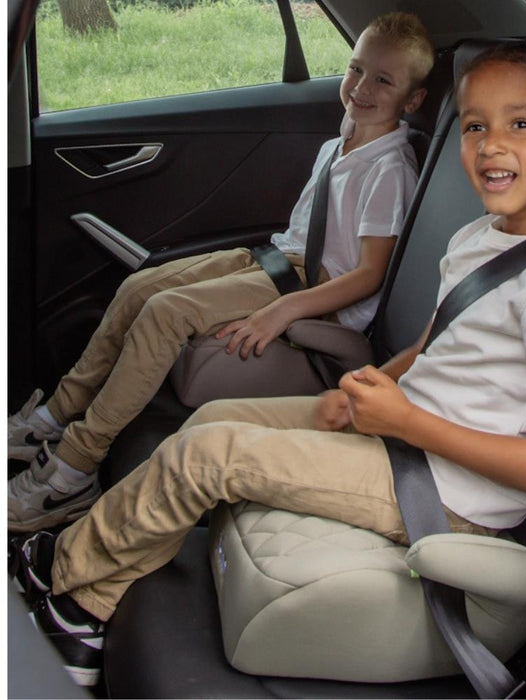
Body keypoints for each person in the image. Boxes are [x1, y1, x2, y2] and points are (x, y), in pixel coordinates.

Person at [12, 40, 526, 687]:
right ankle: (93, 581)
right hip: (399, 431)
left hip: (448, 493)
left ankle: (72, 597)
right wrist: (374, 383)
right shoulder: (482, 236)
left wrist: (404, 421)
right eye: (475, 126)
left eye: (521, 124)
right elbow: (436, 342)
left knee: (206, 456)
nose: (491, 145)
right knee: (209, 420)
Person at [7, 12, 435, 532]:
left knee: (166, 313)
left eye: (383, 80)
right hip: (279, 258)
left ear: (413, 99)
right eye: (356, 69)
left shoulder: (389, 169)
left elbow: (368, 275)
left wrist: (282, 311)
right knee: (139, 286)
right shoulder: (343, 140)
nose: (361, 88)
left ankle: (74, 468)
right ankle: (52, 416)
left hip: (315, 288)